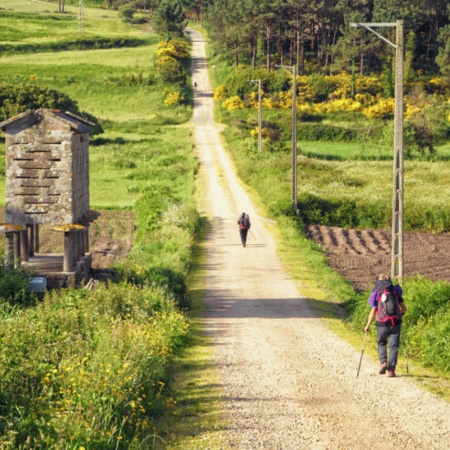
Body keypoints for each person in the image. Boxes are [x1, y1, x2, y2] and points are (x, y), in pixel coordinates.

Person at [364, 274, 407, 377]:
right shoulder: (395, 292)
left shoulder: (377, 293)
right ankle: (391, 370)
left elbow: (373, 310)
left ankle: (383, 362)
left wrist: (367, 325)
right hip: (395, 323)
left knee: (382, 343)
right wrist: (399, 315)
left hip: (381, 323)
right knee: (394, 346)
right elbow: (404, 309)